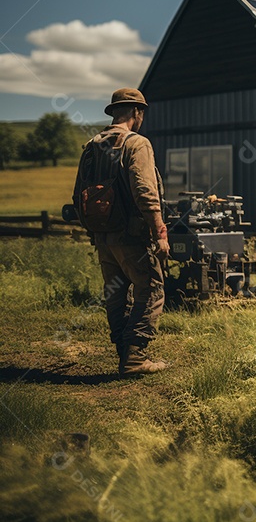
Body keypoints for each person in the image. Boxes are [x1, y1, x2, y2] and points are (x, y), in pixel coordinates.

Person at [75, 88, 170, 375]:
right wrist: (160, 234)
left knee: (116, 294)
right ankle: (135, 356)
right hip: (132, 236)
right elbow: (145, 193)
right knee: (152, 288)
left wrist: (96, 230)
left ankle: (123, 351)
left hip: (104, 237)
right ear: (137, 113)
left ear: (114, 112)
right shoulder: (137, 143)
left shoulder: (92, 146)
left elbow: (78, 194)